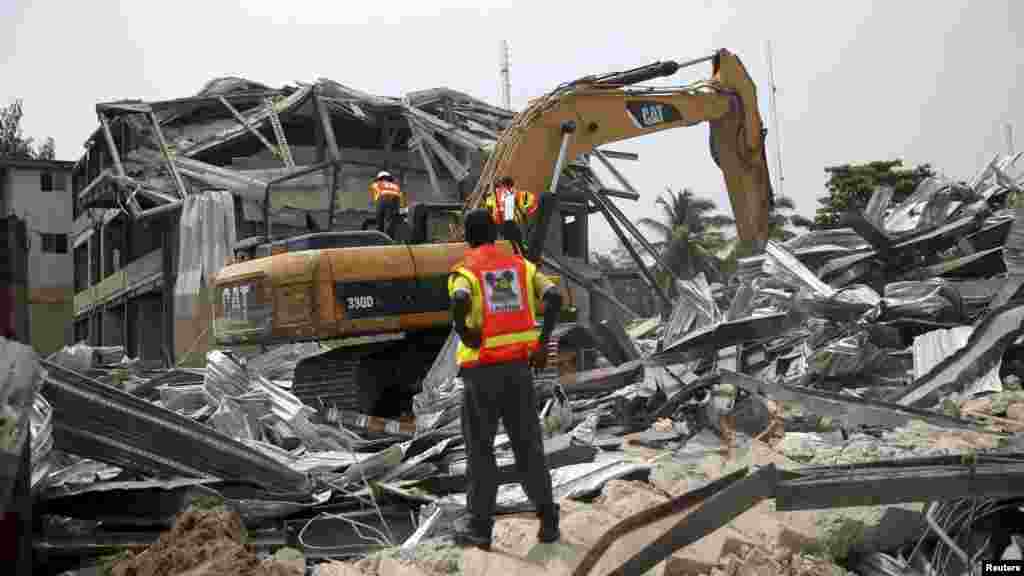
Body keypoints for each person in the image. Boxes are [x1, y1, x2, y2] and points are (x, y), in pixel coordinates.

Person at [446, 208, 562, 550]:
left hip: (481, 375)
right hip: (519, 372)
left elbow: (459, 298)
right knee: (529, 446)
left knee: (480, 452)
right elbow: (553, 296)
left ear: (467, 236)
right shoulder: (521, 266)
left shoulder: (465, 271)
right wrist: (542, 344)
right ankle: (548, 520)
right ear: (496, 233)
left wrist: (463, 328)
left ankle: (480, 528)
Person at [484, 176, 537, 256]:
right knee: (516, 237)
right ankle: (521, 252)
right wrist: (525, 216)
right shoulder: (513, 192)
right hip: (509, 221)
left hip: (500, 222)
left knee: (512, 240)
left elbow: (489, 208)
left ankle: (518, 252)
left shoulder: (493, 195)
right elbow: (522, 206)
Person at [369, 171, 404, 239]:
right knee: (391, 221)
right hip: (395, 200)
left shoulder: (375, 184)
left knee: (379, 220)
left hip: (383, 199)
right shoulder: (396, 186)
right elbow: (401, 198)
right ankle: (390, 238)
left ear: (379, 178)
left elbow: (376, 197)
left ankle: (379, 237)